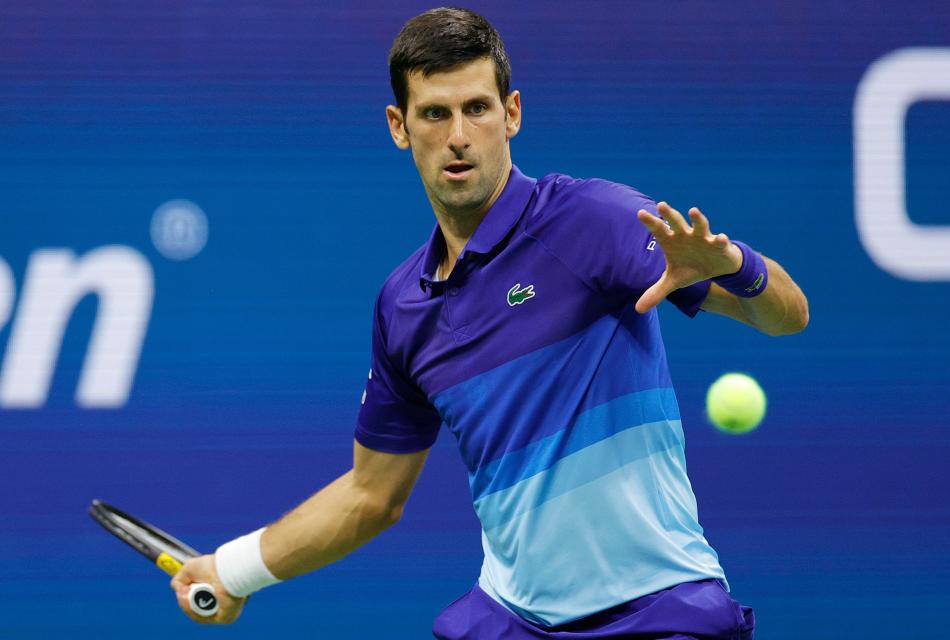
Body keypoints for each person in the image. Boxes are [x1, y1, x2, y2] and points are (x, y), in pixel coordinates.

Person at [171, 7, 808, 639]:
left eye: (477, 108)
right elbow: (371, 495)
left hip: (658, 611)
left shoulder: (593, 222)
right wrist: (232, 572)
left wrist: (738, 266)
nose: (458, 135)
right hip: (515, 621)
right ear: (399, 126)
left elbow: (787, 315)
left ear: (513, 114)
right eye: (435, 113)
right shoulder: (403, 307)